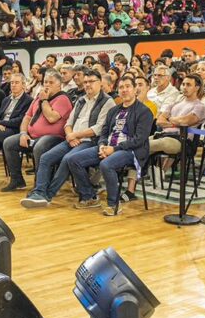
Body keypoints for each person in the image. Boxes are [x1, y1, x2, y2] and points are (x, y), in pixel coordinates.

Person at [20, 69, 117, 208]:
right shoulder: (81, 100)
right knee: (46, 157)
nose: (88, 85)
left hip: (91, 141)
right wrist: (70, 136)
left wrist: (75, 135)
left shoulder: (107, 102)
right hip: (73, 139)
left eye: (91, 82)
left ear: (100, 83)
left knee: (67, 159)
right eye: (86, 82)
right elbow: (68, 123)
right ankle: (39, 192)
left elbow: (99, 128)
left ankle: (47, 195)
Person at [65, 75, 155, 215]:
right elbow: (104, 132)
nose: (124, 90)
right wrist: (102, 145)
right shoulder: (114, 110)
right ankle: (89, 197)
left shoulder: (144, 112)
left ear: (135, 89)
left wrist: (114, 149)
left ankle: (114, 205)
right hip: (108, 147)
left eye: (128, 86)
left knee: (106, 164)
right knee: (73, 160)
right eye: (121, 87)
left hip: (131, 151)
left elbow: (139, 139)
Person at [1, 71, 72, 192]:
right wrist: (23, 133)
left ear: (59, 85)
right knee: (9, 142)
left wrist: (44, 101)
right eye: (45, 82)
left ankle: (40, 184)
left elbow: (51, 117)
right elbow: (27, 117)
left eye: (51, 82)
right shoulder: (38, 97)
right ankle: (17, 180)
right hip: (32, 136)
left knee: (40, 146)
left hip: (54, 138)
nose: (47, 85)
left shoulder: (62, 98)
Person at [150, 75, 205, 157]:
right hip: (163, 135)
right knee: (140, 144)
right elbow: (159, 121)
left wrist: (169, 119)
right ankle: (136, 168)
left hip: (182, 141)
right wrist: (175, 124)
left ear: (197, 88)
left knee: (145, 146)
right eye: (183, 84)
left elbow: (185, 121)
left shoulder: (199, 106)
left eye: (188, 85)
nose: (184, 87)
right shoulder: (176, 102)